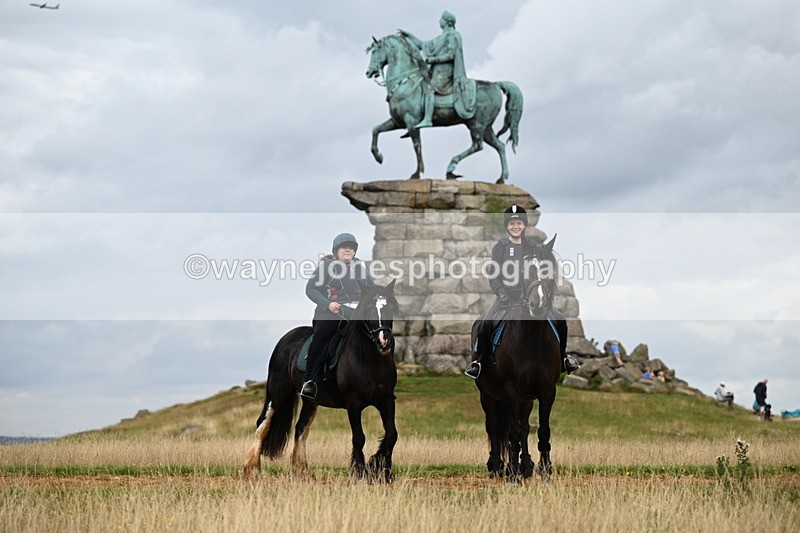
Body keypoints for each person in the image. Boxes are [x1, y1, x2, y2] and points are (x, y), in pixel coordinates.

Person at [465, 205, 580, 379]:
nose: (515, 226)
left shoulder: (533, 247)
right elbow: (494, 275)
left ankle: (564, 358)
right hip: (506, 299)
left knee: (560, 320)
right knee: (485, 323)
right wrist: (501, 293)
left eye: (519, 223)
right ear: (507, 226)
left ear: (524, 225)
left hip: (529, 297)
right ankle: (478, 362)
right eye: (512, 223)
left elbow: (541, 269)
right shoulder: (500, 247)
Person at [301, 233, 373, 400]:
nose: (348, 250)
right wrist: (328, 304)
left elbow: (373, 288)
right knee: (323, 336)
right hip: (330, 312)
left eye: (351, 248)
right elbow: (310, 290)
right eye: (344, 247)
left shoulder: (361, 270)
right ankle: (309, 380)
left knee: (378, 333)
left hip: (355, 314)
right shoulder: (326, 268)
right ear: (336, 251)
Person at [398, 10, 476, 129]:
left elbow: (451, 55)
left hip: (446, 72)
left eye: (441, 19)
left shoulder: (452, 36)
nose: (439, 21)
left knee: (429, 88)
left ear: (447, 21)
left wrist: (433, 60)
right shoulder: (441, 37)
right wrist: (409, 36)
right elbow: (422, 45)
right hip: (436, 71)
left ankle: (428, 119)